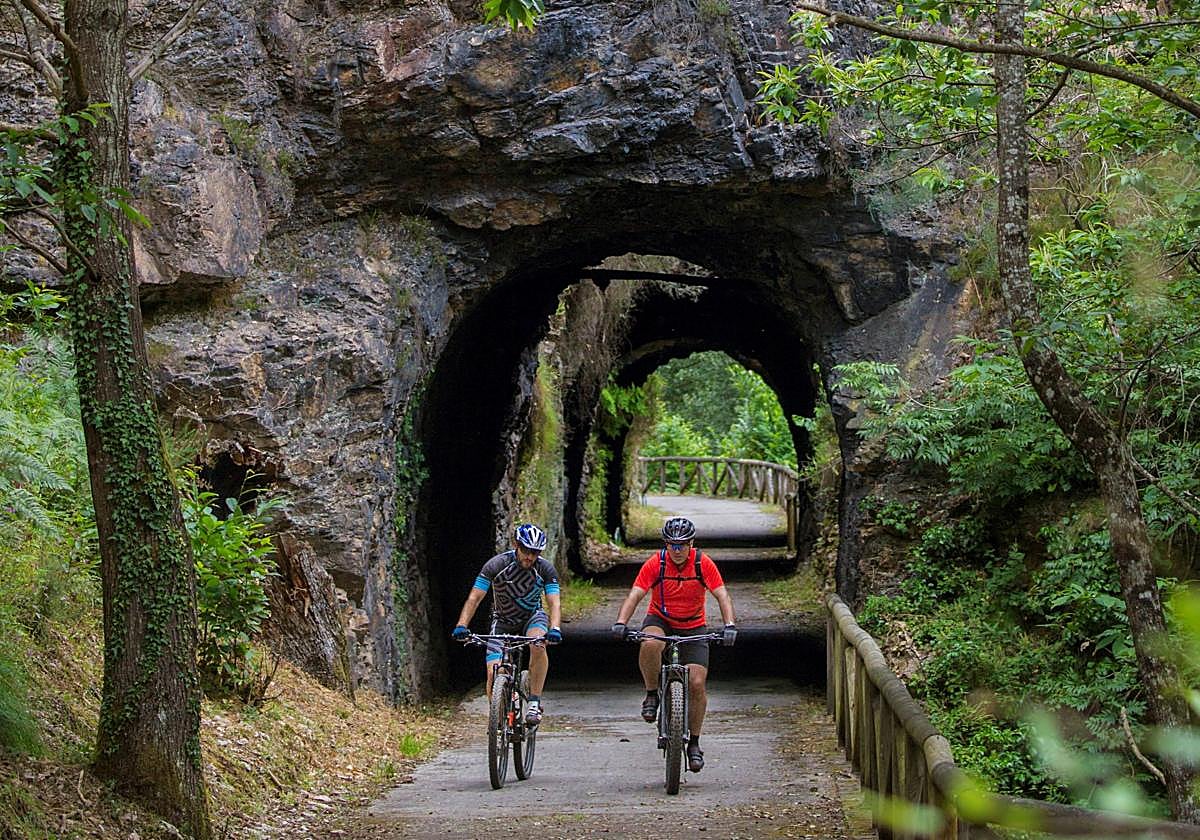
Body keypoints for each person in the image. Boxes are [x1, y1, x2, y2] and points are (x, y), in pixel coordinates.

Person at [611, 516, 737, 773]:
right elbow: (636, 593)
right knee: (649, 643)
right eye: (672, 545)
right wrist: (621, 622)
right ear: (666, 545)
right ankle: (650, 694)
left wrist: (729, 625)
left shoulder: (702, 563)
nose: (677, 550)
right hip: (661, 619)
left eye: (682, 545)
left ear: (692, 543)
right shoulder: (656, 563)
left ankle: (694, 743)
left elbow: (721, 594)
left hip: (693, 625)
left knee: (697, 683)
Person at [452, 523, 562, 725]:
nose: (530, 557)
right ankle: (498, 717)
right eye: (526, 551)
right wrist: (462, 625)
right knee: (493, 671)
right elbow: (475, 598)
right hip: (502, 621)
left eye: (535, 552)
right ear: (516, 545)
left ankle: (535, 702)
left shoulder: (545, 569)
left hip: (532, 617)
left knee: (538, 644)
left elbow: (553, 601)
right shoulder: (497, 565)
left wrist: (554, 628)